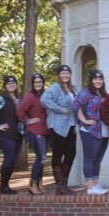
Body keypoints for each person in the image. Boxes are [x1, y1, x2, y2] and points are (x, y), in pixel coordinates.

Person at [72, 68, 109, 195]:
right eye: (95, 79)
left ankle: (96, 184)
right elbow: (75, 105)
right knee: (89, 157)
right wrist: (84, 120)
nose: (98, 81)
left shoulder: (103, 93)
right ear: (91, 80)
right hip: (89, 131)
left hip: (103, 131)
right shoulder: (86, 92)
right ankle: (90, 186)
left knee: (98, 159)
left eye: (100, 79)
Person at [40, 65, 77, 195]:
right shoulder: (55, 87)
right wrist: (60, 109)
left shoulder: (72, 88)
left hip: (71, 126)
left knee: (71, 154)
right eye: (63, 73)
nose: (65, 75)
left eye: (67, 73)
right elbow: (44, 99)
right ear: (59, 75)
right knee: (57, 155)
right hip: (57, 127)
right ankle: (60, 186)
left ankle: (64, 184)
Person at [0, 75, 23, 194]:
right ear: (5, 86)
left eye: (13, 83)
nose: (11, 85)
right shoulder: (1, 98)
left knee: (12, 160)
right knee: (9, 158)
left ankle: (6, 185)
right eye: (9, 83)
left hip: (18, 134)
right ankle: (3, 186)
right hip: (6, 134)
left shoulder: (18, 99)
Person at [16, 73, 49, 195]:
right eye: (36, 82)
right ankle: (32, 183)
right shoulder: (30, 96)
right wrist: (28, 120)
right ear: (33, 84)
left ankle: (39, 184)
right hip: (35, 131)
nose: (38, 84)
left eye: (40, 81)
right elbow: (19, 109)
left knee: (42, 159)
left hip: (45, 131)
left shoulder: (45, 95)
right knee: (41, 157)